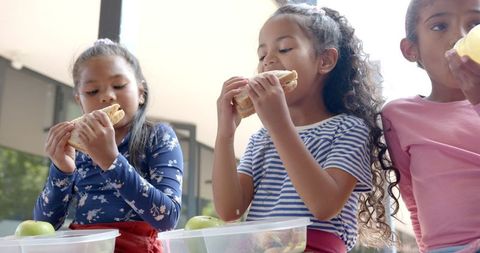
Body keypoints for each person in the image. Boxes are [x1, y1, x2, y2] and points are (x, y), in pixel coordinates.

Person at [213, 4, 394, 252]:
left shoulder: (349, 129)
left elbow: (324, 205)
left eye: (284, 48)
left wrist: (279, 126)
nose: (269, 61)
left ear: (325, 61)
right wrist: (225, 135)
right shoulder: (261, 139)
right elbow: (229, 210)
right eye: (261, 55)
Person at [34, 39, 183, 253]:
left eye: (119, 85)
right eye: (93, 91)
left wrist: (111, 161)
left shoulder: (157, 136)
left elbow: (168, 218)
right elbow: (45, 225)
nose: (106, 96)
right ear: (79, 100)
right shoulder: (76, 148)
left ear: (141, 92)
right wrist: (61, 170)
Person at [381, 0, 480, 252]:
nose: (460, 37)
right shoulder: (398, 115)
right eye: (439, 26)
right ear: (411, 49)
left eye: (475, 24)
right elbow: (411, 196)